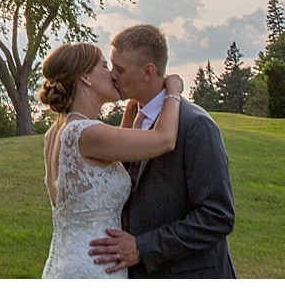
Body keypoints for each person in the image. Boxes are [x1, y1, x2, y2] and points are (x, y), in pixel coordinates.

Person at [89, 24, 237, 278]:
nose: (112, 75)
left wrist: (142, 247)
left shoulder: (195, 126)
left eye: (120, 69)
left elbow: (217, 216)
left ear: (148, 71)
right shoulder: (134, 116)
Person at [38, 41, 184, 279]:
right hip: (94, 266)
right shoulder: (86, 133)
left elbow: (115, 152)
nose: (112, 74)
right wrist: (174, 92)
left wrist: (132, 101)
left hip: (67, 259)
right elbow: (165, 139)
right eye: (105, 66)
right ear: (85, 77)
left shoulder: (57, 132)